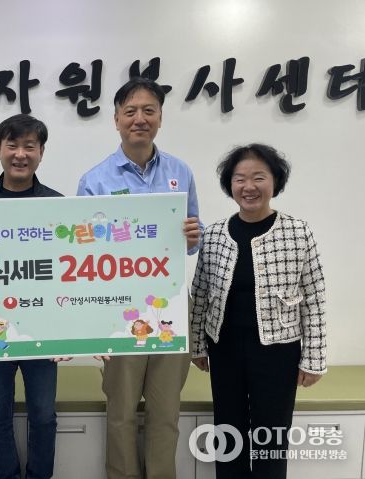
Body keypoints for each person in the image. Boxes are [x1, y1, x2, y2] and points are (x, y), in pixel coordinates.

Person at [77, 77, 202, 479]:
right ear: (116, 119)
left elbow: (193, 239)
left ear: (160, 118)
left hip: (170, 309)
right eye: (130, 111)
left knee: (166, 413)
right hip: (119, 309)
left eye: (149, 111)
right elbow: (83, 252)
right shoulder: (95, 180)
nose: (139, 119)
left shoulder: (180, 171)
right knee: (121, 412)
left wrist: (193, 235)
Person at [190, 143, 327, 479]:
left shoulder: (298, 232)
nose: (248, 186)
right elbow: (200, 293)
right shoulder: (214, 234)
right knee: (228, 433)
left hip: (278, 351)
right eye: (239, 179)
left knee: (271, 436)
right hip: (224, 349)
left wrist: (314, 358)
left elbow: (314, 297)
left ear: (274, 181)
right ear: (230, 184)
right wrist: (197, 346)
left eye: (258, 177)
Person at [0, 113, 64, 479]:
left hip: (42, 329)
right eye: (12, 145)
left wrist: (68, 329)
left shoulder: (57, 204)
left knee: (44, 415)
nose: (20, 154)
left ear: (41, 152)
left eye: (29, 146)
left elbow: (66, 272)